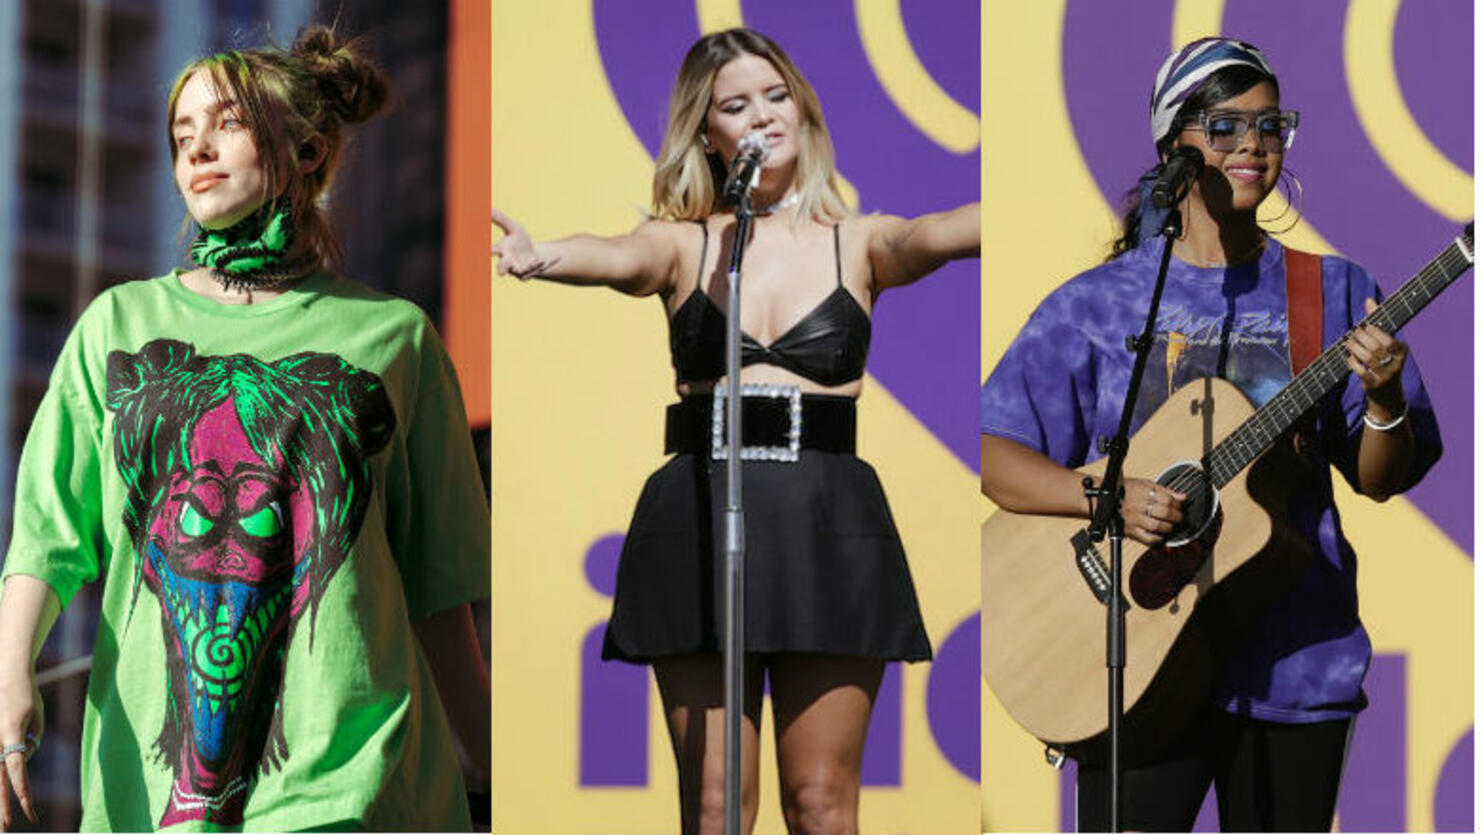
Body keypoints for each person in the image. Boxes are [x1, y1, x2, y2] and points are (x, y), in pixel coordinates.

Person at [0, 25, 490, 831]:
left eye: (225, 124)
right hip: (151, 800)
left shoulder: (394, 338)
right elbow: (47, 533)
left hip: (354, 785)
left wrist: (498, 767)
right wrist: (13, 666)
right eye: (181, 135)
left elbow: (439, 594)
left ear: (305, 151)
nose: (197, 150)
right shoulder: (117, 327)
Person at [493, 28, 978, 835]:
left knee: (821, 803)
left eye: (776, 94)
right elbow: (616, 254)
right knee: (717, 806)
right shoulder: (687, 245)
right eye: (737, 104)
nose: (763, 114)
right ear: (707, 132)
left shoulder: (856, 241)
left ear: (804, 108)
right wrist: (542, 255)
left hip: (828, 519)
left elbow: (936, 233)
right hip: (700, 508)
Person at [979, 38, 1441, 831]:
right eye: (1225, 128)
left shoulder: (1330, 290)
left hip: (1296, 667)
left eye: (1270, 127)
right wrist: (1110, 496)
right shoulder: (1097, 305)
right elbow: (996, 456)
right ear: (1173, 146)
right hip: (1127, 661)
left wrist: (1385, 397)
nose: (1254, 148)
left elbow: (1380, 475)